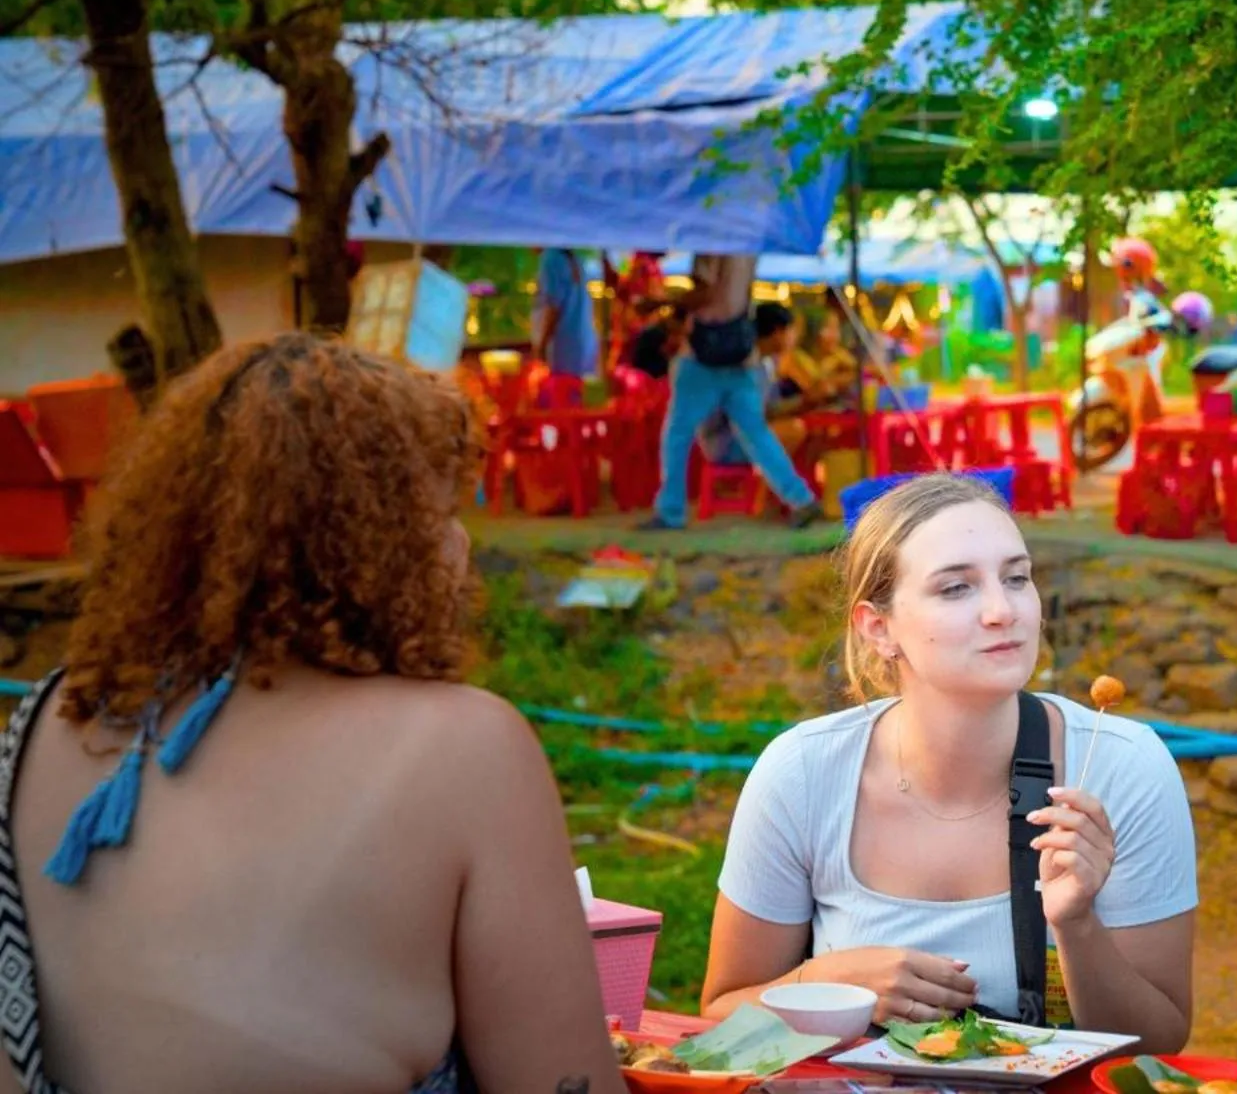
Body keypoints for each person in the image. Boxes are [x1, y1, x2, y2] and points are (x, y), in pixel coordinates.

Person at [0, 334, 625, 1094]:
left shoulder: (45, 719)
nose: (460, 544)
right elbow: (564, 1081)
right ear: (377, 543)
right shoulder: (466, 748)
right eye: (442, 512)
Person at [700, 473, 1197, 1052]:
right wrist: (826, 983)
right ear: (879, 628)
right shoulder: (803, 774)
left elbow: (1160, 1042)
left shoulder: (1121, 767)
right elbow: (720, 1013)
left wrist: (1077, 924)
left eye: (1017, 578)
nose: (1002, 610)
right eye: (956, 588)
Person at [641, 254, 822, 531]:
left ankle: (670, 512)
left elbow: (705, 293)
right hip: (740, 354)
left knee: (677, 434)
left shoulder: (710, 241)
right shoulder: (747, 244)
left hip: (703, 356)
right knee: (757, 433)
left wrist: (662, 303)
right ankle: (801, 499)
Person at [698, 301, 813, 470]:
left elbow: (767, 408)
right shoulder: (743, 364)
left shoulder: (766, 362)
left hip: (742, 433)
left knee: (808, 432)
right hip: (725, 441)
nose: (794, 337)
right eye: (791, 331)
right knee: (793, 430)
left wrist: (804, 402)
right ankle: (765, 485)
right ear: (777, 332)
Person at [534, 246, 601, 403]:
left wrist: (541, 345)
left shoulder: (551, 258)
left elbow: (553, 307)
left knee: (561, 400)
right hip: (584, 343)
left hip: (564, 347)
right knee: (580, 401)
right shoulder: (575, 258)